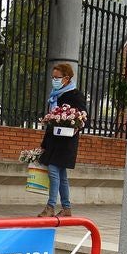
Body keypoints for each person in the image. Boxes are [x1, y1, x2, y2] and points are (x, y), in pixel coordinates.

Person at [37, 62, 86, 217]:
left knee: (53, 170)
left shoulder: (75, 95)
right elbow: (51, 123)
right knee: (61, 174)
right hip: (53, 141)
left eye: (57, 78)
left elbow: (83, 117)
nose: (54, 80)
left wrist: (74, 124)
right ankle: (66, 207)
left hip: (66, 141)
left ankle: (50, 207)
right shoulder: (54, 96)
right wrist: (44, 144)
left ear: (66, 78)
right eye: (53, 77)